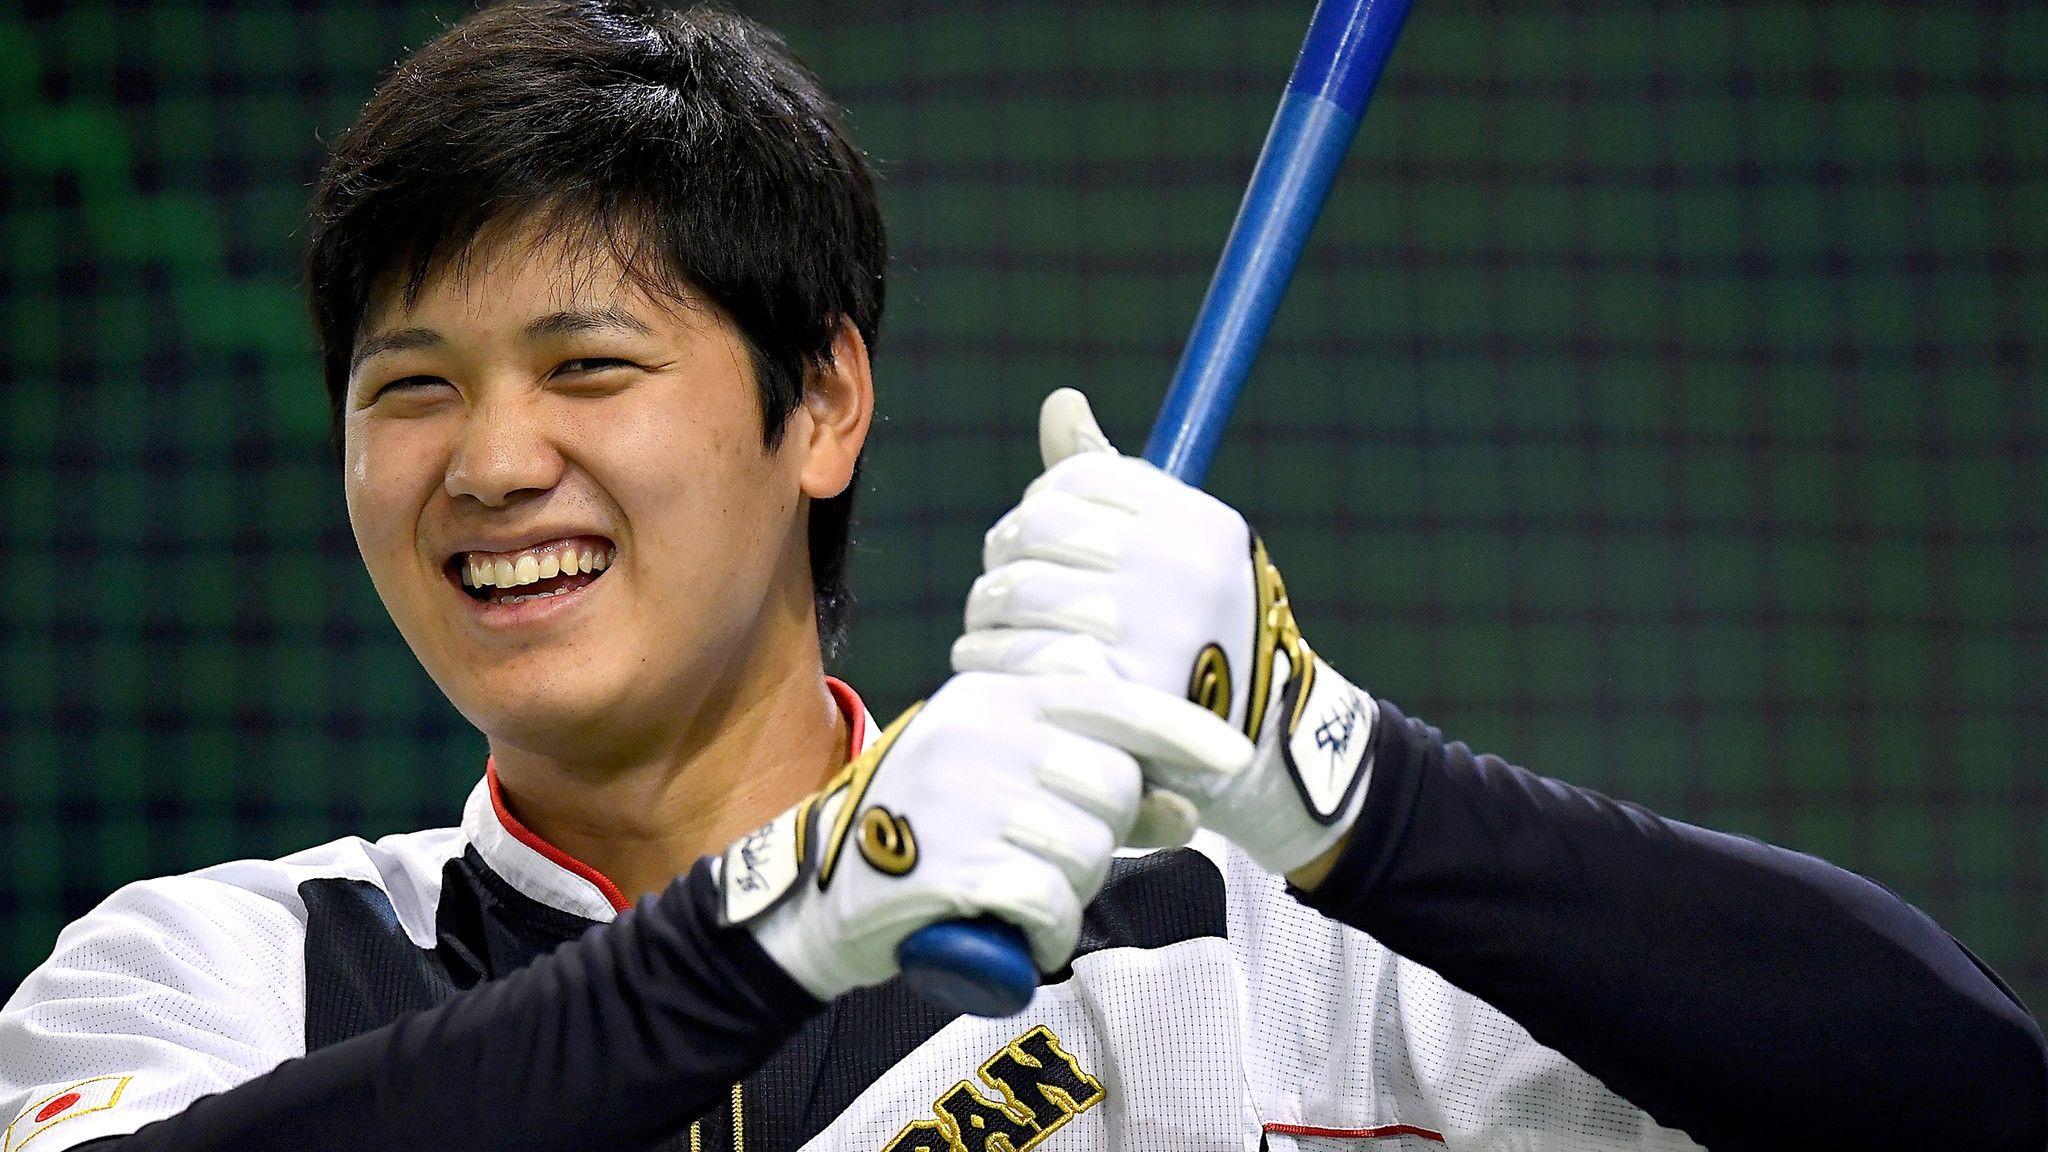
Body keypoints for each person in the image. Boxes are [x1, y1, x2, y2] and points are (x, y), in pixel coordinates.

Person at [1, 3, 2041, 1150]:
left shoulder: (1229, 966)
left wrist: (1350, 784)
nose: (489, 459)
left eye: (590, 366)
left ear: (824, 406)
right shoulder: (224, 972)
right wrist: (781, 924)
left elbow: (1955, 1101)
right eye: (410, 388)